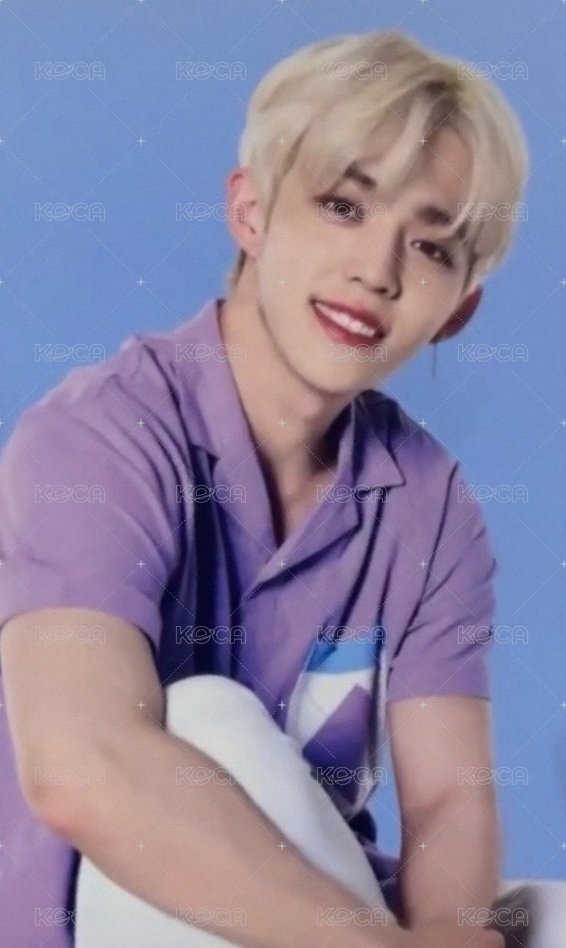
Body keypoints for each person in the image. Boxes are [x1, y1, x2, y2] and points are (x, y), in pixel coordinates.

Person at [0, 26, 562, 948]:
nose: (376, 271)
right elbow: (83, 768)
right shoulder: (95, 438)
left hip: (328, 919)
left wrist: (446, 934)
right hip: (98, 921)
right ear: (251, 212)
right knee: (204, 724)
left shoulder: (427, 502)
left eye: (430, 249)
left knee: (548, 916)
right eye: (344, 206)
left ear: (459, 310)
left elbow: (450, 802)